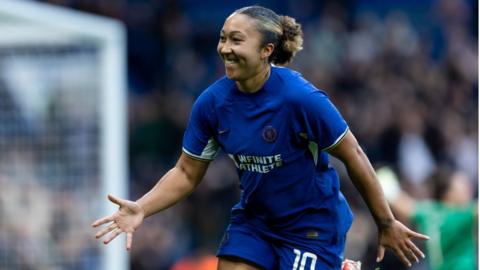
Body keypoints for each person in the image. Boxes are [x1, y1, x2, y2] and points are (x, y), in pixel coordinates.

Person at [92, 6, 429, 270]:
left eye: (236, 40)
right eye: (223, 38)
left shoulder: (301, 99)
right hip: (256, 221)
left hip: (310, 225)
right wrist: (142, 208)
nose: (225, 48)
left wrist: (386, 222)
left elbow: (353, 154)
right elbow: (185, 172)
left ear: (267, 50)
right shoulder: (212, 103)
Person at [377, 166, 477, 270]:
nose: (469, 190)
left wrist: (382, 178)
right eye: (464, 187)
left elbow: (397, 200)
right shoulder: (462, 215)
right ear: (448, 193)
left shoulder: (426, 212)